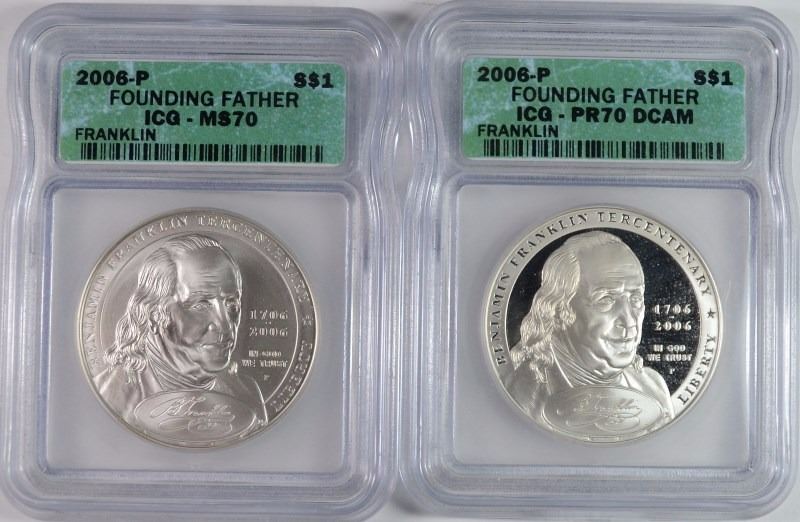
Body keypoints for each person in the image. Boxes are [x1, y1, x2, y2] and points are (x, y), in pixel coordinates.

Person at [94, 234, 267, 429]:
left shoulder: (247, 393)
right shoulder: (112, 397)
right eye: (201, 305)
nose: (226, 327)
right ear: (155, 314)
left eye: (232, 304)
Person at [505, 230, 674, 425]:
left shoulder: (653, 388)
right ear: (559, 309)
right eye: (606, 300)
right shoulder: (521, 392)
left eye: (635, 298)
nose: (629, 320)